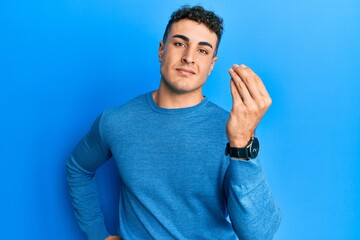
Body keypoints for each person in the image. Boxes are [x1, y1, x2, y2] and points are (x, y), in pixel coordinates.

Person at [67, 5, 281, 240]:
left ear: (211, 65)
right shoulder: (116, 121)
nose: (189, 57)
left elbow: (259, 235)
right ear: (161, 50)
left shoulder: (233, 131)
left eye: (202, 50)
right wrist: (98, 235)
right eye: (180, 43)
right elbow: (78, 167)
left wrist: (242, 142)